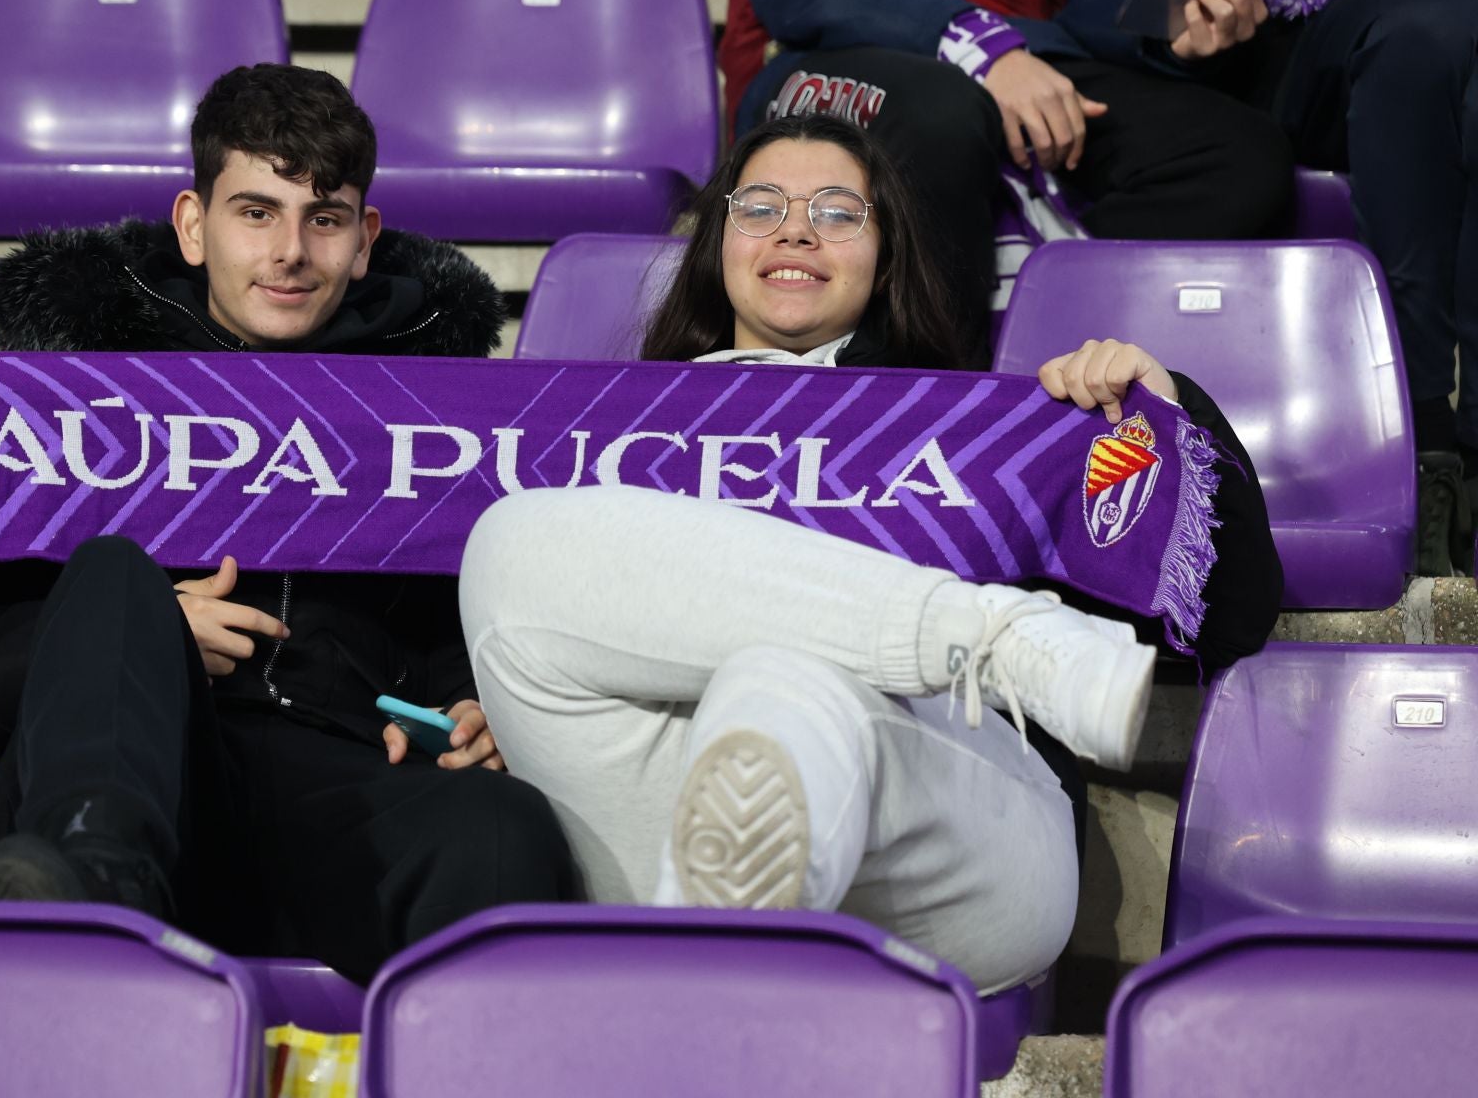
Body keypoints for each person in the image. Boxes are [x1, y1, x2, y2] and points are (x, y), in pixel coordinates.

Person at [457, 115, 1281, 993]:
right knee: (508, 541)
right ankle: (987, 633)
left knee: (785, 680)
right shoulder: (607, 438)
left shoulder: (982, 435)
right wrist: (491, 703)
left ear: (885, 256)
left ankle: (988, 647)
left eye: (839, 212)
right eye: (762, 206)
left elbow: (1231, 617)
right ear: (718, 245)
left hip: (951, 843)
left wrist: (1166, 410)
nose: (798, 229)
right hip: (655, 811)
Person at [0, 64, 580, 981]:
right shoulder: (54, 402)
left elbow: (464, 631)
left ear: (363, 238)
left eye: (323, 218)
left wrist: (472, 707)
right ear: (192, 223)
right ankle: (97, 911)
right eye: (256, 212)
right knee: (113, 576)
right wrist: (135, 634)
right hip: (132, 791)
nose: (290, 250)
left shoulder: (448, 420)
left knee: (503, 822)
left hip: (344, 799)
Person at [720, 0, 1296, 342]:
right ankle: (937, 388)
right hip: (829, 50)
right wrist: (983, 48)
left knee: (1239, 153)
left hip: (1024, 55)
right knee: (944, 115)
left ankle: (1048, 350)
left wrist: (1174, 34)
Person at [1165, 0, 1478, 574]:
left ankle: (1441, 458)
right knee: (1428, 23)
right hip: (1295, 63)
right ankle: (1434, 436)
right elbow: (1177, 5)